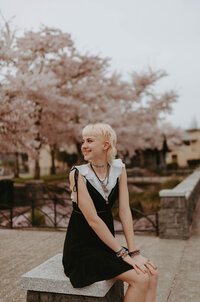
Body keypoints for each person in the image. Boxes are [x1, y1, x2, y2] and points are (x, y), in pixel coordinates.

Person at [62, 123, 158, 302]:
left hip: (106, 246)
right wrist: (123, 255)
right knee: (141, 278)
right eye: (83, 141)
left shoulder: (118, 169)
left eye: (89, 140)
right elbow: (93, 221)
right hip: (82, 251)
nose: (84, 145)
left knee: (152, 273)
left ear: (106, 145)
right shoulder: (78, 174)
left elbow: (124, 210)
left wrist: (134, 252)